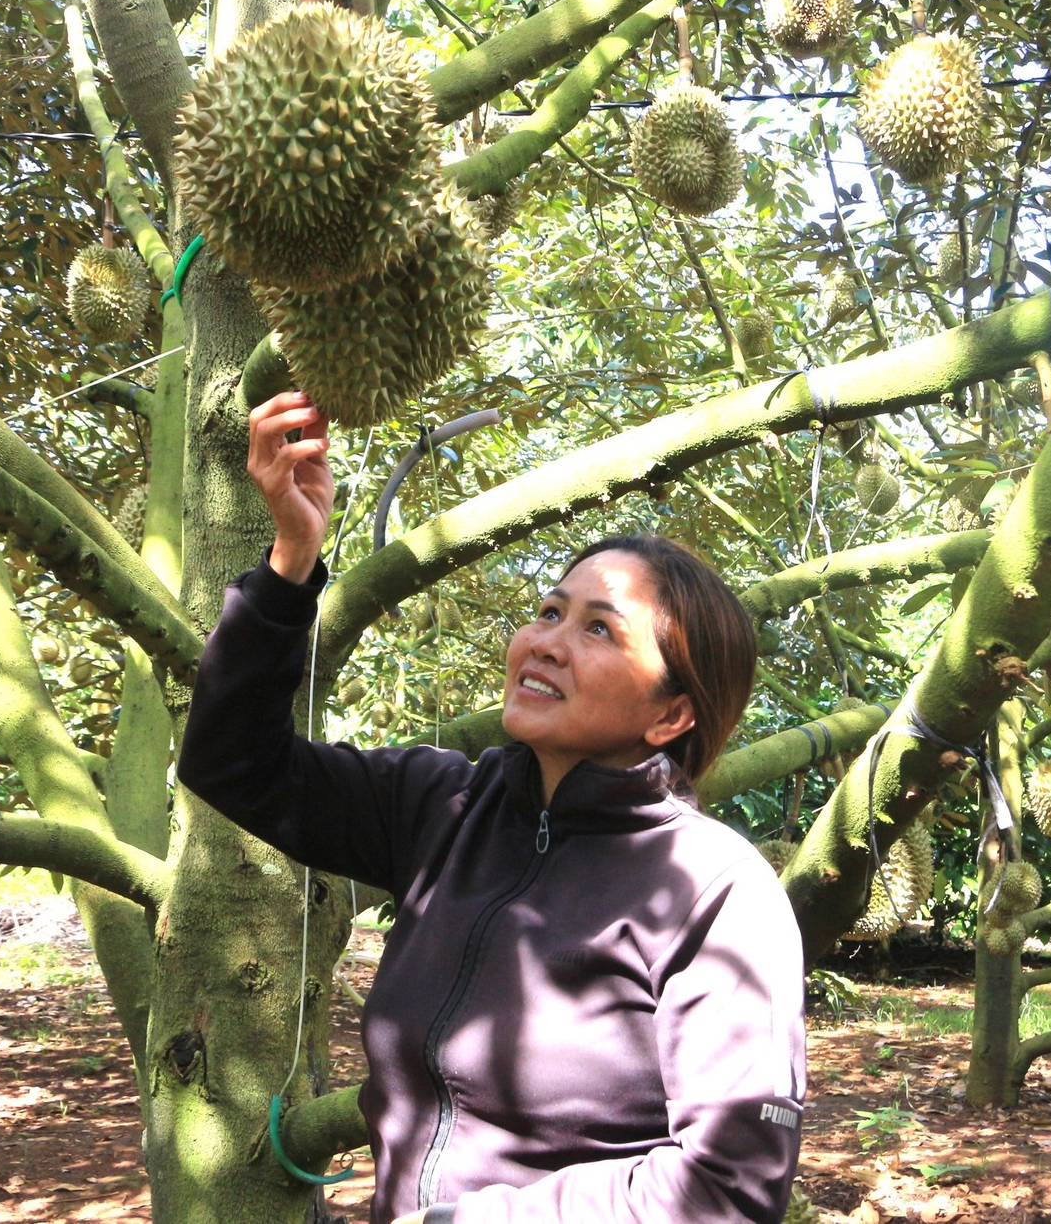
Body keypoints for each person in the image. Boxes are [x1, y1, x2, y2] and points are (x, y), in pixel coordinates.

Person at [178, 391, 807, 1224]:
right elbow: (231, 764)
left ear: (671, 715)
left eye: (599, 630)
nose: (545, 639)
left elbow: (728, 1185)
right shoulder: (442, 806)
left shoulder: (712, 889)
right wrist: (292, 559)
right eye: (549, 611)